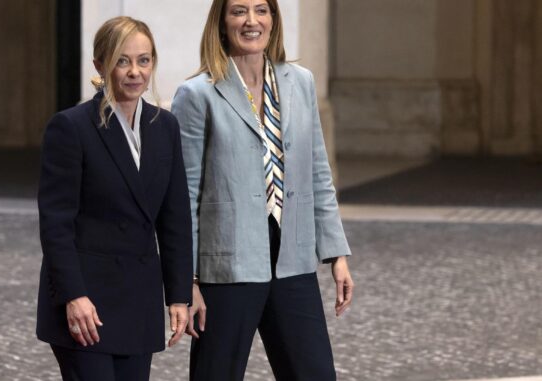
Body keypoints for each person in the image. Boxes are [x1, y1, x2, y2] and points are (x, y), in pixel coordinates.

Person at [170, 1, 354, 380]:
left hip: (293, 258)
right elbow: (184, 195)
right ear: (221, 23)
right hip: (227, 266)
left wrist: (336, 253)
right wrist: (186, 281)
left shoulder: (299, 81)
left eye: (261, 10)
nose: (251, 21)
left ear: (273, 19)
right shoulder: (197, 94)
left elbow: (319, 172)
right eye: (239, 11)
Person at [36, 16, 192, 381]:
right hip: (86, 305)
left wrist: (179, 295)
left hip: (138, 302)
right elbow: (56, 225)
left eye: (144, 60)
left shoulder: (164, 127)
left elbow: (175, 220)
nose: (135, 72)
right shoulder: (71, 127)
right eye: (123, 60)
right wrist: (73, 296)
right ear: (100, 65)